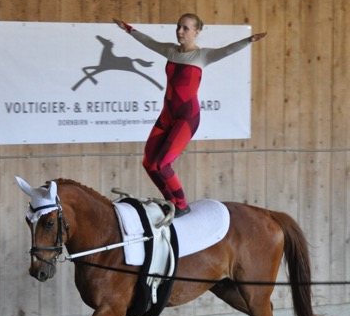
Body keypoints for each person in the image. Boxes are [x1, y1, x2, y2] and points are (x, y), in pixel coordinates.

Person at [114, 14, 266, 217]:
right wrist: (128, 28)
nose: (180, 31)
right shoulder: (170, 50)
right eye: (178, 27)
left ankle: (182, 205)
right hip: (167, 116)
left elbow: (227, 50)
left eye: (185, 28)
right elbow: (148, 42)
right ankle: (171, 202)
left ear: (197, 32)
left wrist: (248, 40)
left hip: (186, 118)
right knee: (149, 163)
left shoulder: (202, 56)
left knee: (162, 164)